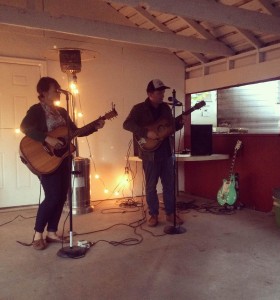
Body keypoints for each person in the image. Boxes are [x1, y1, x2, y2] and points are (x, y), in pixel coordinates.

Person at [20, 76, 105, 250]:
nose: (58, 92)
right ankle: (38, 234)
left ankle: (52, 232)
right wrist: (47, 138)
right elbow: (25, 127)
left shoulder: (62, 112)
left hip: (64, 159)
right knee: (51, 196)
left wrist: (95, 126)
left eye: (59, 89)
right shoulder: (37, 110)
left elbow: (75, 132)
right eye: (55, 89)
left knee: (61, 196)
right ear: (43, 92)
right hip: (45, 159)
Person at [123, 79, 184, 227]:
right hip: (150, 154)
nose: (163, 94)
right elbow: (127, 124)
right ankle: (154, 214)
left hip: (167, 152)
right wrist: (146, 132)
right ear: (150, 93)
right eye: (160, 92)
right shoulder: (138, 109)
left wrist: (179, 124)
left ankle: (170, 213)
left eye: (163, 91)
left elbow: (168, 128)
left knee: (169, 185)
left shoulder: (165, 108)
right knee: (151, 186)